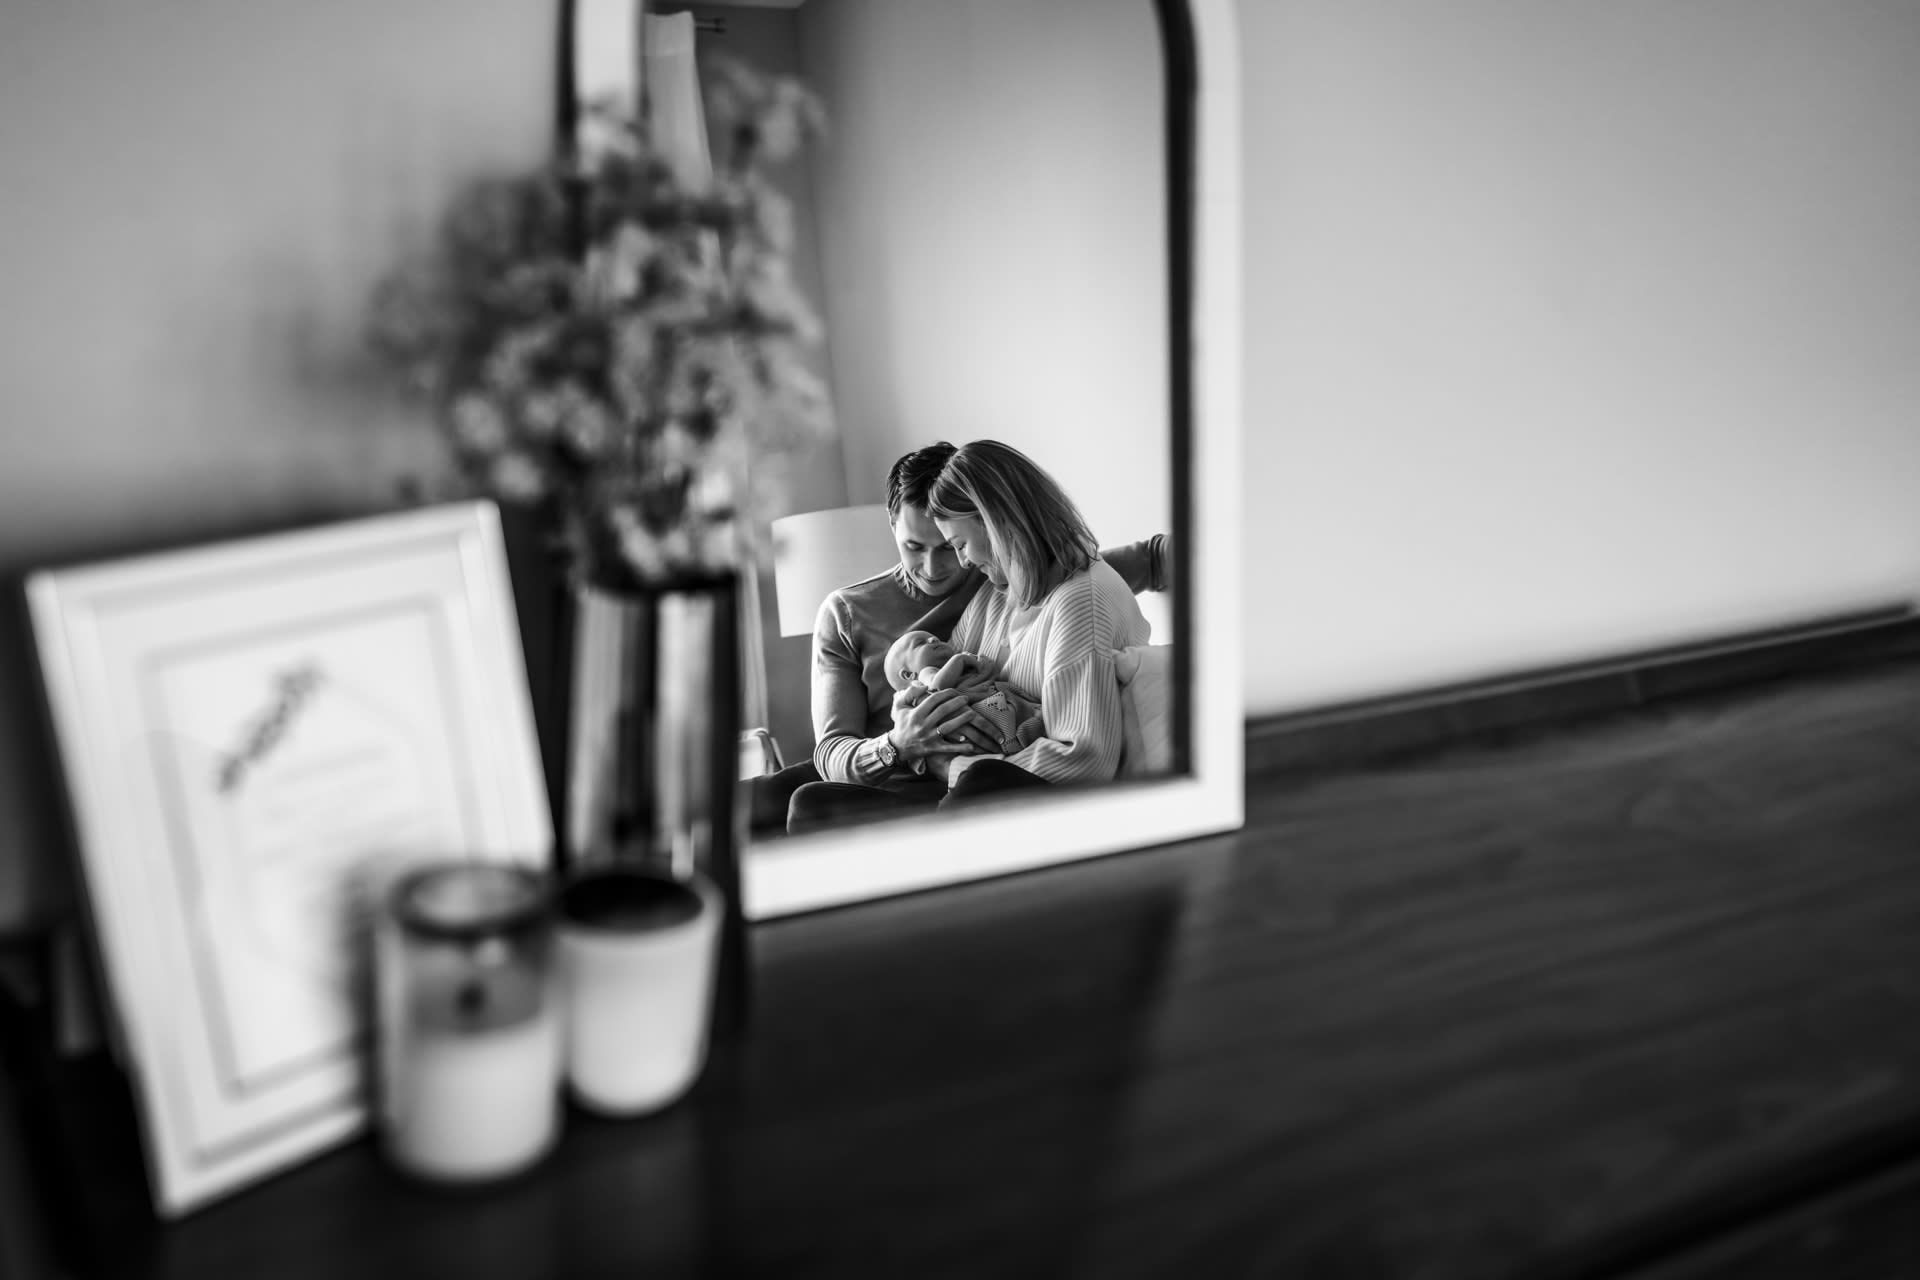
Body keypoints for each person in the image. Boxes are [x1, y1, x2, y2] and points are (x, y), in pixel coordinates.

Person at [760, 441, 1168, 836]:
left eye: (955, 545)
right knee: (776, 797)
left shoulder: (1070, 597)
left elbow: (1084, 758)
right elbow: (843, 742)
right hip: (912, 762)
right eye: (916, 546)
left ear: (998, 524)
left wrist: (947, 768)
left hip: (985, 783)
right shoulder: (996, 590)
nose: (951, 564)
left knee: (818, 805)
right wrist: (902, 733)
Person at [883, 628, 1040, 758]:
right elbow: (937, 687)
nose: (933, 640)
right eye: (919, 643)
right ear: (909, 675)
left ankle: (1025, 729)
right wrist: (959, 660)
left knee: (1019, 708)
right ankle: (1016, 737)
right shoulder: (924, 675)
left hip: (990, 699)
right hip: (976, 710)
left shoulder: (954, 666)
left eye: (935, 638)